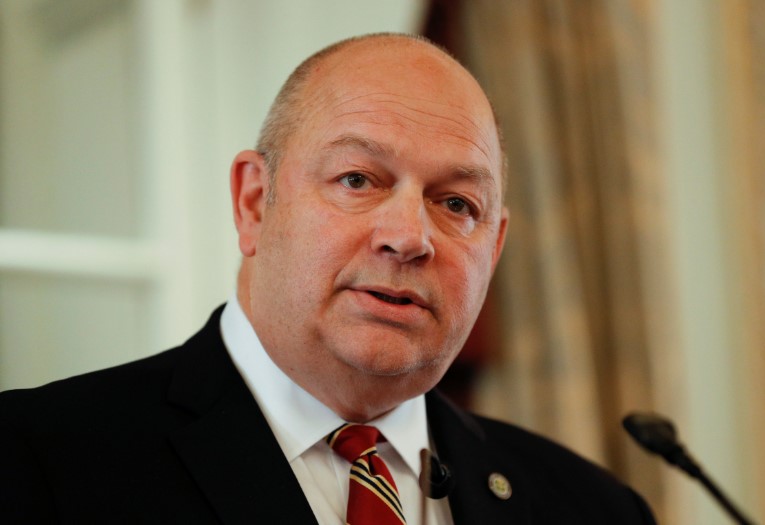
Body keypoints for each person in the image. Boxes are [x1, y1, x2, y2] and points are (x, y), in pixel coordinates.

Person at [0, 33, 656, 524]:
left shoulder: (593, 508)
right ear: (254, 203)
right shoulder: (37, 463)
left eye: (457, 203)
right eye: (357, 179)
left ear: (496, 244)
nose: (409, 236)